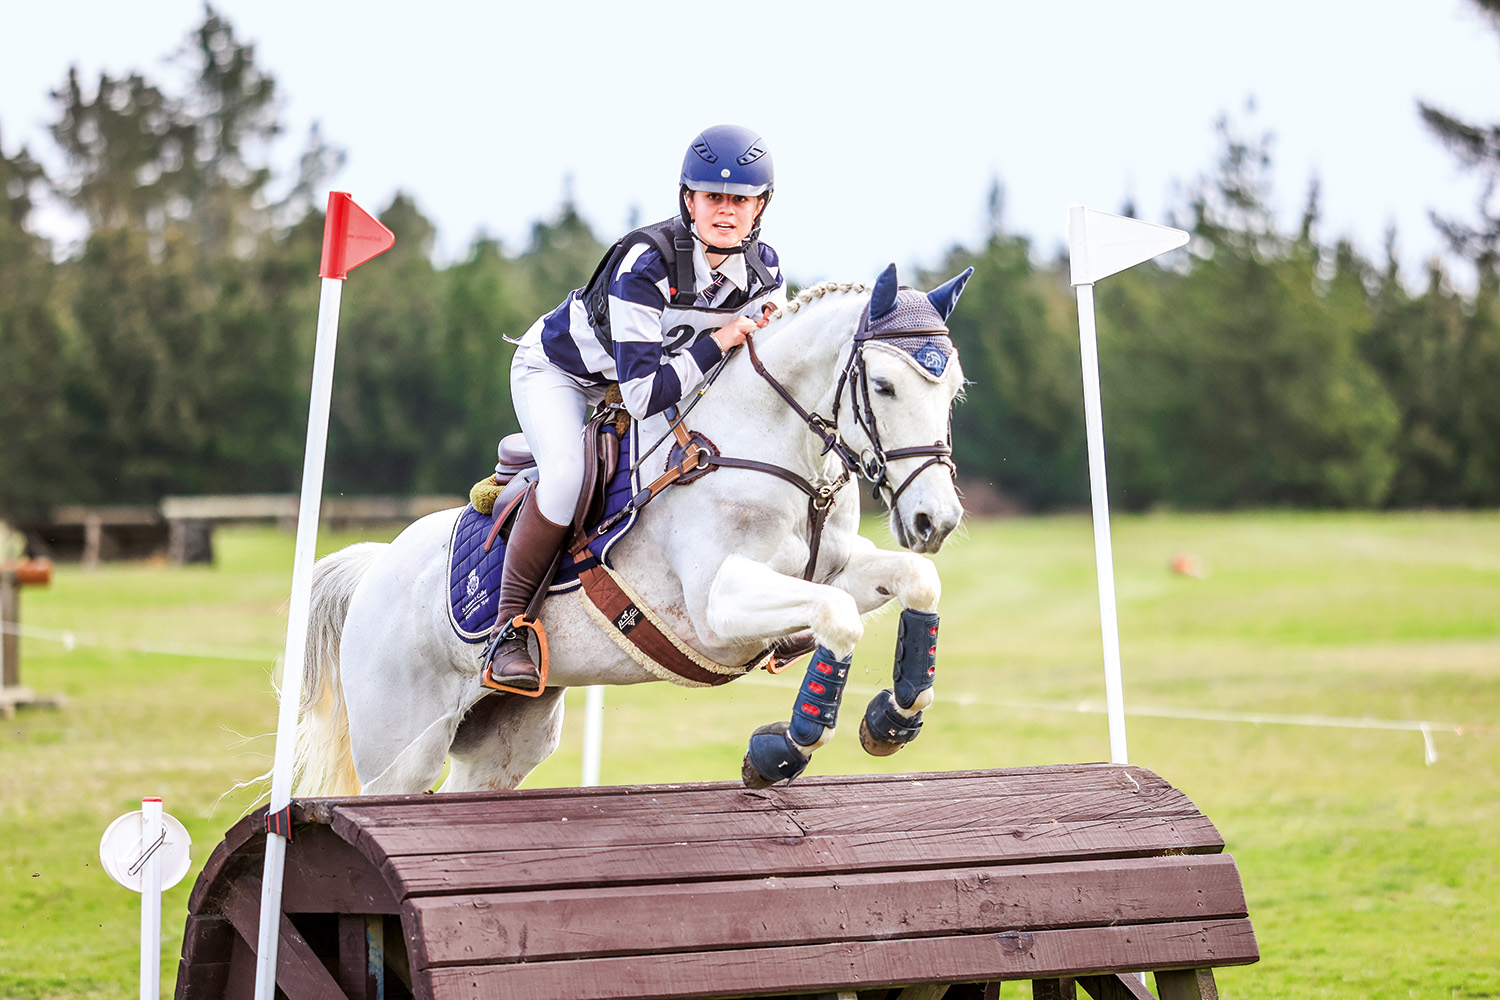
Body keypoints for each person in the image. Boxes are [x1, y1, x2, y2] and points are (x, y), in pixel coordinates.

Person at [482, 124, 788, 693]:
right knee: (568, 476)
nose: (726, 212)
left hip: (641, 384)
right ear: (688, 200)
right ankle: (509, 628)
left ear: (760, 206)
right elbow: (646, 395)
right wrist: (720, 340)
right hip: (561, 375)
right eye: (713, 197)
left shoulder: (765, 272)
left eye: (740, 200)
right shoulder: (646, 262)